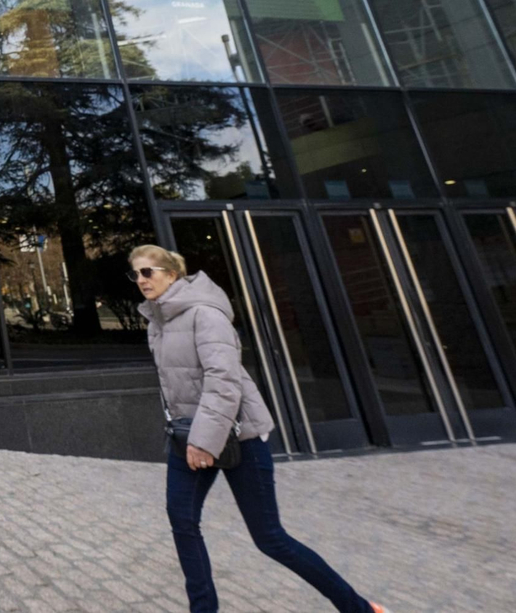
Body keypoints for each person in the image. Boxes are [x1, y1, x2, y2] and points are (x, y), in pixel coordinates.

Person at [132, 245, 390, 613]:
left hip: (240, 437)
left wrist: (204, 442)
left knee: (270, 538)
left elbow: (224, 381)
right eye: (136, 274)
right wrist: (185, 433)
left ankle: (359, 608)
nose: (141, 280)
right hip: (187, 435)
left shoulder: (205, 314)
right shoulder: (158, 322)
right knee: (183, 521)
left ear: (172, 274)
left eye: (148, 272)